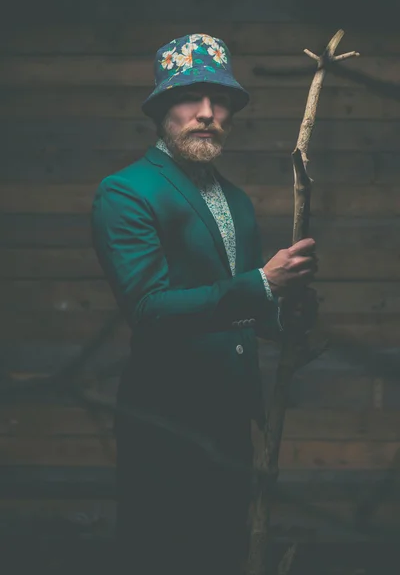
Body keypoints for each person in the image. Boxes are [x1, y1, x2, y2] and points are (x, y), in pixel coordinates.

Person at [91, 33, 319, 575]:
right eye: (190, 98)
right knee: (161, 555)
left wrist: (285, 313)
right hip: (164, 415)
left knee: (220, 552)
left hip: (230, 417)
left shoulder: (236, 200)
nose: (208, 112)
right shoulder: (126, 192)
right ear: (161, 109)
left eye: (221, 102)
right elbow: (150, 310)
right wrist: (263, 285)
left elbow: (245, 309)